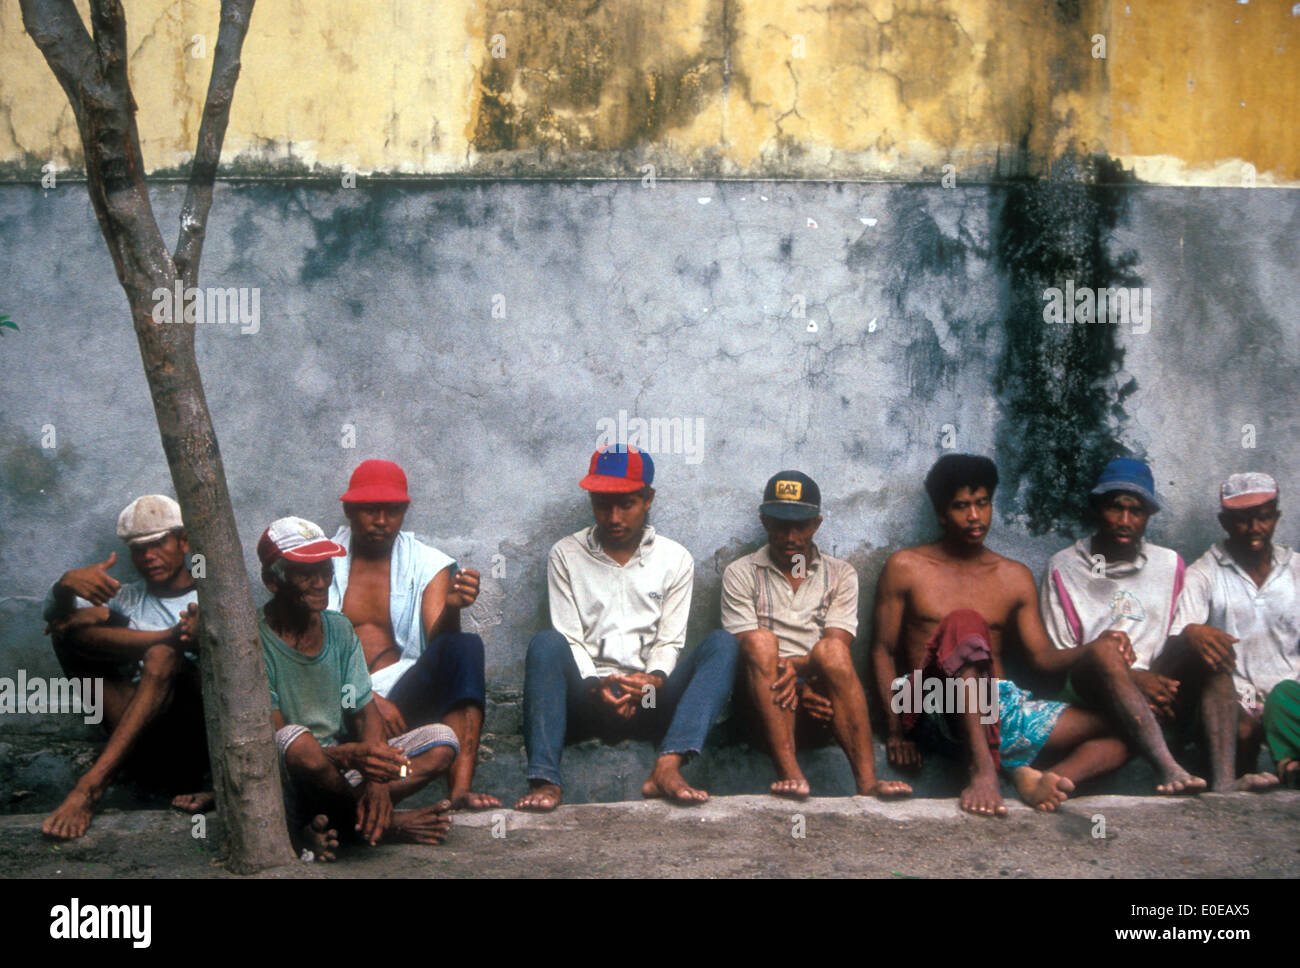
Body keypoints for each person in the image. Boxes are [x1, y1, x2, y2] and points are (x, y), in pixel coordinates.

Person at [871, 455, 1201, 818]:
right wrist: (896, 731)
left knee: (1133, 723)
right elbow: (883, 651)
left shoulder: (1013, 575)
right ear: (941, 513)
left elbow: (1042, 658)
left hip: (1000, 709)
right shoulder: (907, 567)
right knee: (965, 623)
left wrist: (1097, 647)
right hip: (931, 704)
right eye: (961, 506)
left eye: (983, 503)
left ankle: (1045, 780)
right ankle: (984, 773)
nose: (975, 516)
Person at [515, 445, 739, 811]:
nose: (613, 517)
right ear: (590, 500)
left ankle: (667, 766)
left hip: (650, 700)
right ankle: (545, 780)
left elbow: (669, 640)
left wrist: (653, 680)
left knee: (723, 645)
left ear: (648, 499)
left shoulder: (674, 558)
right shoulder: (566, 554)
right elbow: (569, 636)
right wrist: (595, 686)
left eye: (627, 504)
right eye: (602, 504)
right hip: (589, 700)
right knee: (545, 644)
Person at [258, 516, 462, 858]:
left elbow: (365, 715)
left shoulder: (337, 629)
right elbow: (275, 738)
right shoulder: (255, 641)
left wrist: (377, 780)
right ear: (272, 580)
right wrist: (347, 755)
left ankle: (343, 819)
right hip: (289, 780)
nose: (321, 582)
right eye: (305, 573)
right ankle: (386, 827)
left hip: (340, 780)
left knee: (442, 743)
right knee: (297, 742)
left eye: (326, 569)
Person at [722, 471, 911, 800]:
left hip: (822, 700)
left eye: (801, 525)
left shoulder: (841, 574)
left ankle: (867, 783)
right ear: (765, 522)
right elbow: (746, 649)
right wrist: (795, 685)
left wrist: (804, 682)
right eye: (781, 524)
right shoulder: (741, 573)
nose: (791, 536)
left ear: (817, 524)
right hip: (761, 700)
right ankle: (790, 773)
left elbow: (837, 645)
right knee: (761, 642)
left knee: (834, 652)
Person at [328, 459, 497, 810]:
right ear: (348, 510)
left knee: (464, 646)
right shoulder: (324, 564)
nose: (380, 521)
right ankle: (351, 802)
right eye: (369, 510)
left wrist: (452, 607)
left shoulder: (428, 563)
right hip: (341, 701)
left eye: (391, 511)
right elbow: (316, 651)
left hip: (403, 703)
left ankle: (460, 791)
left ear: (404, 511)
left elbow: (441, 649)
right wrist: (367, 698)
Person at [39, 495, 208, 840]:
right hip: (142, 744)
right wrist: (63, 588)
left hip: (193, 748)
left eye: (159, 543)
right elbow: (55, 622)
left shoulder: (207, 597)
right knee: (66, 633)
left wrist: (117, 621)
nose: (149, 556)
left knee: (163, 656)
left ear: (184, 541)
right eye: (138, 548)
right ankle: (165, 638)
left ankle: (90, 787)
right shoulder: (126, 596)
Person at [1039, 458, 1208, 791]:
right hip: (1090, 684)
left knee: (1202, 648)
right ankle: (1168, 766)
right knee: (1105, 652)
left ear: (1148, 517)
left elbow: (1175, 636)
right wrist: (1132, 679)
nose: (1125, 521)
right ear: (1096, 508)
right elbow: (1065, 655)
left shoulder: (1168, 564)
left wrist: (1153, 681)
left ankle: (1056, 779)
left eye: (1137, 512)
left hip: (1157, 684)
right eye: (1116, 508)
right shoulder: (1063, 567)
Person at [1164, 472, 1299, 791]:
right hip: (1239, 700)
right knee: (1243, 731)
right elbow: (1175, 644)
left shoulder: (1295, 569)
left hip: (1291, 695)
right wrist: (1192, 633)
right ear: (1224, 522)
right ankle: (1272, 771)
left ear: (1276, 518)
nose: (1254, 529)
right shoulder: (1205, 572)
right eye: (1242, 520)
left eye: (1263, 518)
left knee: (1285, 698)